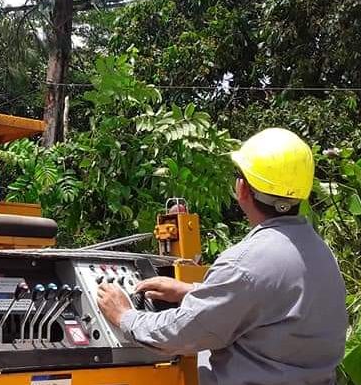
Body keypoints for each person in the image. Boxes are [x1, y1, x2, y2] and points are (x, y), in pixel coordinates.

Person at [96, 128, 347, 385]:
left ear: (242, 189)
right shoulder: (320, 251)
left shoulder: (245, 263)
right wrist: (192, 291)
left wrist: (125, 316)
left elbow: (179, 335)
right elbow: (267, 299)